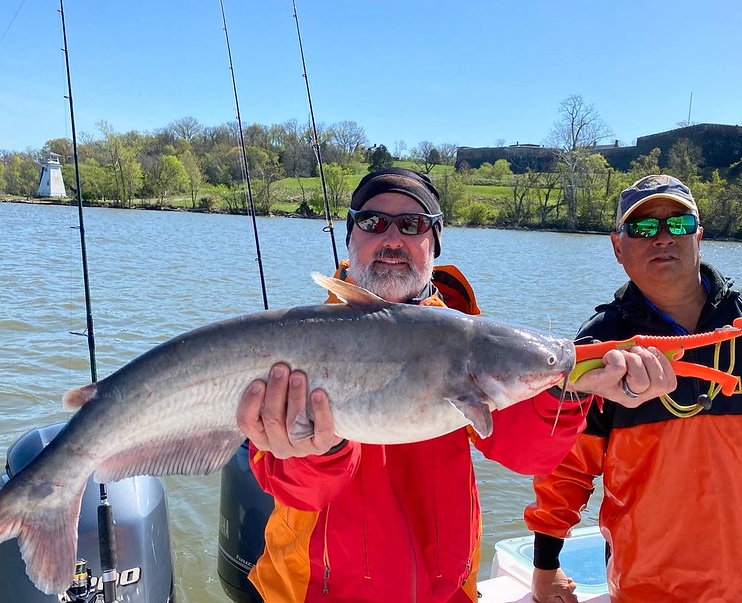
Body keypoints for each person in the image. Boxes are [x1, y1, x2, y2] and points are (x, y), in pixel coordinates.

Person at [236, 167, 675, 603]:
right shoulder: (294, 350)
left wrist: (570, 390)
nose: (392, 238)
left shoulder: (476, 346)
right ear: (350, 236)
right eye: (373, 222)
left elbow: (529, 454)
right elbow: (299, 492)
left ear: (435, 242)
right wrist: (320, 448)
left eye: (412, 225)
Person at [525, 174, 742, 602]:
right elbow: (565, 468)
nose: (662, 237)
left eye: (677, 224)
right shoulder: (599, 345)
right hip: (647, 586)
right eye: (643, 227)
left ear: (699, 236)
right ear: (617, 247)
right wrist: (545, 569)